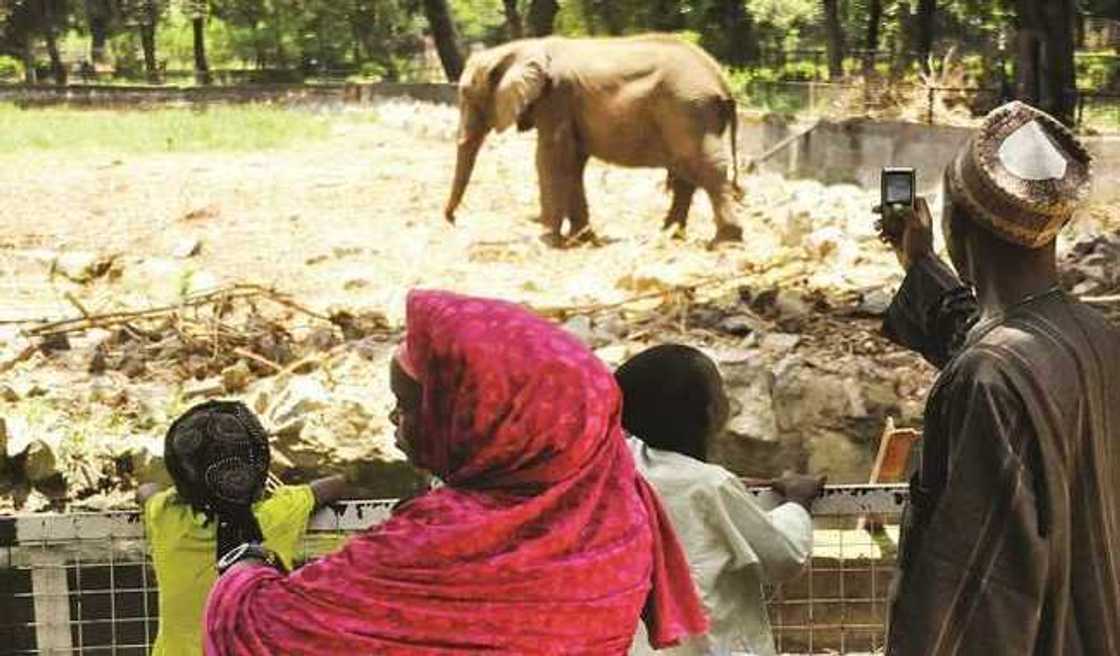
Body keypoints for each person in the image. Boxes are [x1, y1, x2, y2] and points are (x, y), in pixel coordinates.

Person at [203, 290, 709, 654]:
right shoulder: (619, 519)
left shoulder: (433, 543)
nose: (394, 421)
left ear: (483, 415)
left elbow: (261, 633)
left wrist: (244, 570)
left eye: (409, 405)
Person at [877, 100, 1120, 655]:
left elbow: (975, 594)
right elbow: (994, 344)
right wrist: (919, 264)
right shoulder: (1099, 339)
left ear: (955, 218)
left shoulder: (987, 379)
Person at [617, 344, 823, 656]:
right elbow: (783, 556)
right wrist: (797, 502)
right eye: (720, 390)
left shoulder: (626, 471)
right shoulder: (712, 486)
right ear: (711, 412)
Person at [138, 400, 350, 656]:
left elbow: (145, 491)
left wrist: (172, 493)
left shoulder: (166, 515)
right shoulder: (275, 516)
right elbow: (335, 485)